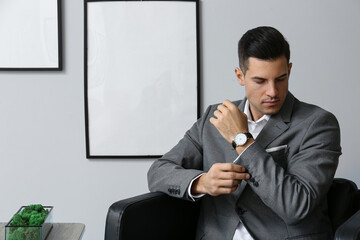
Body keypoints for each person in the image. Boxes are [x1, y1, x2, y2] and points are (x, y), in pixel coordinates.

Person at [147, 26, 341, 240]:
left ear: (290, 70)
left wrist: (242, 139)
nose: (272, 92)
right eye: (260, 81)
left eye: (281, 78)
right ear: (240, 76)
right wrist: (203, 182)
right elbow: (158, 172)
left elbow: (295, 205)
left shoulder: (318, 124)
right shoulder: (214, 117)